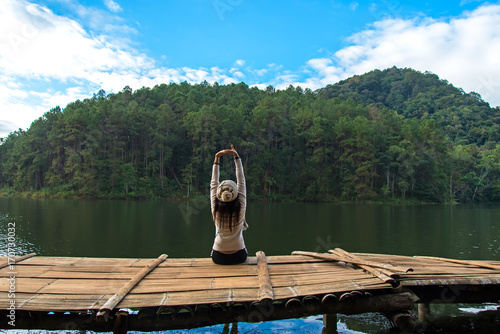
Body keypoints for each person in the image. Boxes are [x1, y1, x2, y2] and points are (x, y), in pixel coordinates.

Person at [210, 145, 248, 265]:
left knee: (213, 252)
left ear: (218, 195)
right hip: (239, 255)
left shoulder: (215, 208)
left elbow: (213, 183)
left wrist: (217, 158)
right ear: (235, 193)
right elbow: (241, 180)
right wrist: (237, 157)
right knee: (244, 249)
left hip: (218, 257)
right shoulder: (241, 205)